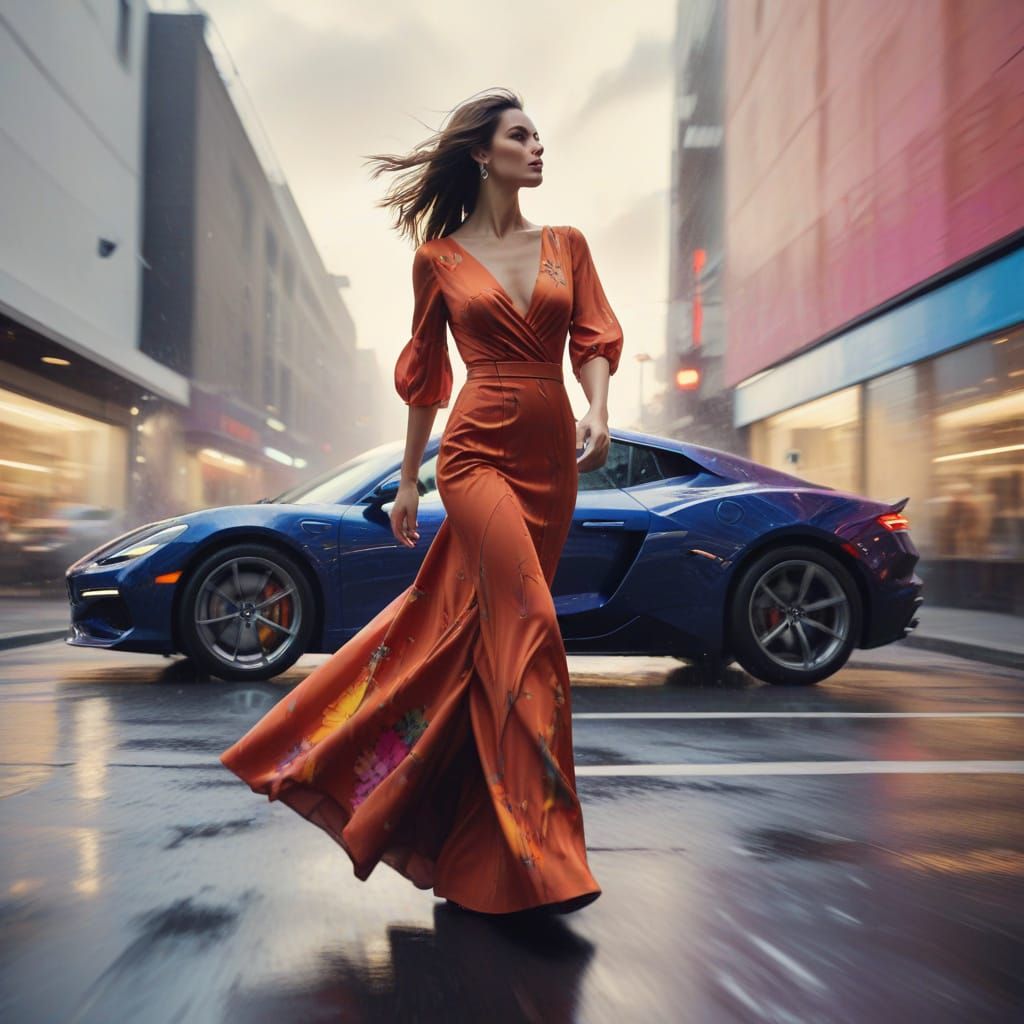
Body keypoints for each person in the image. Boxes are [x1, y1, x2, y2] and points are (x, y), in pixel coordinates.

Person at [219, 88, 623, 917]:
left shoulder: (568, 244)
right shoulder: (437, 258)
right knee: (533, 627)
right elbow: (426, 382)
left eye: (540, 135)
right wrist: (409, 479)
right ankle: (544, 852)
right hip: (473, 457)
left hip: (552, 459)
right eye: (521, 136)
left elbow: (593, 337)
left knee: (485, 646)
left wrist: (600, 407)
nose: (539, 146)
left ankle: (479, 854)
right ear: (483, 153)